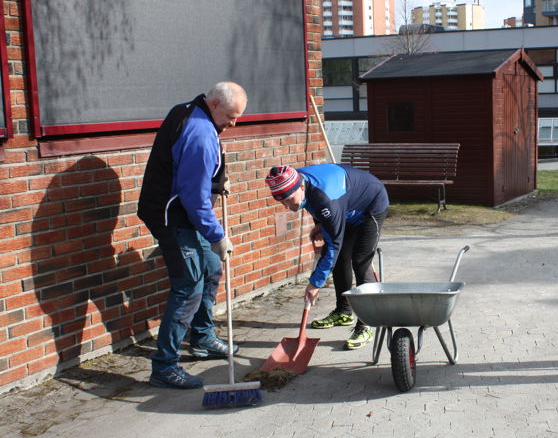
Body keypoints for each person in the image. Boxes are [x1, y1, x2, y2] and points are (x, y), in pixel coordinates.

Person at [138, 82, 247, 389]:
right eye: (230, 115)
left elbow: (194, 179)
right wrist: (217, 235)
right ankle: (164, 367)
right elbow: (194, 199)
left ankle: (202, 339)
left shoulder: (191, 111)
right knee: (189, 287)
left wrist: (216, 183)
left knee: (211, 268)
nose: (233, 123)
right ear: (213, 104)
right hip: (172, 216)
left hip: (181, 210)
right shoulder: (200, 134)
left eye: (237, 116)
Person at [265, 164, 389, 350]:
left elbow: (333, 244)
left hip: (370, 205)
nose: (288, 207)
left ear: (300, 187)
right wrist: (321, 226)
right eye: (282, 202)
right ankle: (343, 311)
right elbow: (318, 210)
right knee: (340, 260)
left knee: (360, 261)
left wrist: (315, 283)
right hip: (344, 206)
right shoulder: (297, 179)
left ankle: (366, 322)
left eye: (289, 200)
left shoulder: (324, 198)